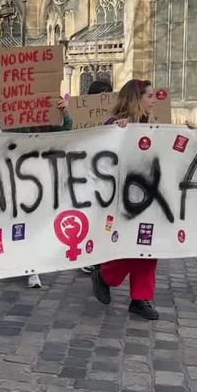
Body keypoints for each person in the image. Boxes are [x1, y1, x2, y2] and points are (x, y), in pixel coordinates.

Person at [91, 79, 161, 320]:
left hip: (148, 196)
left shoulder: (149, 126)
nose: (154, 100)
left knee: (148, 246)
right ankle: (107, 275)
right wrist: (118, 131)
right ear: (136, 98)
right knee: (132, 244)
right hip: (123, 199)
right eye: (149, 96)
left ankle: (141, 298)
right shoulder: (115, 125)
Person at [5, 95, 72, 289]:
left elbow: (67, 131)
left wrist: (65, 112)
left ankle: (32, 269)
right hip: (19, 179)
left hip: (43, 181)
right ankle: (19, 260)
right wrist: (15, 110)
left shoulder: (51, 124)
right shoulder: (21, 124)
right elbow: (7, 132)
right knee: (19, 225)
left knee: (36, 225)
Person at [80, 80, 114, 276]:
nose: (106, 98)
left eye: (109, 94)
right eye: (103, 94)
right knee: (91, 216)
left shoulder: (116, 118)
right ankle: (88, 254)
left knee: (105, 220)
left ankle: (100, 255)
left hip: (106, 175)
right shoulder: (83, 114)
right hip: (88, 173)